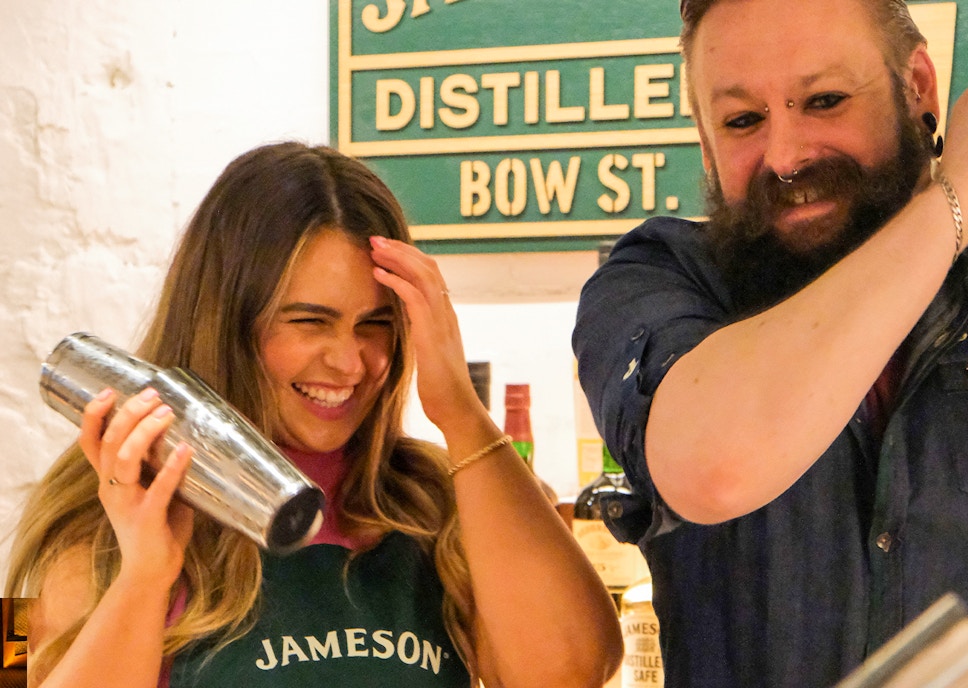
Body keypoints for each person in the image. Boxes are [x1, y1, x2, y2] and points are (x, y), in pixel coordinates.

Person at [573, 0, 968, 685]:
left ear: (918, 86)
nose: (786, 156)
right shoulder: (658, 280)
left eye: (825, 100)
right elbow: (717, 465)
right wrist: (960, 200)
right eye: (743, 120)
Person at [8, 141, 623, 688]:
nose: (351, 362)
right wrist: (145, 576)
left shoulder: (445, 502)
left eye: (376, 324)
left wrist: (460, 412)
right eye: (310, 321)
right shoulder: (74, 521)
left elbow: (578, 671)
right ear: (225, 320)